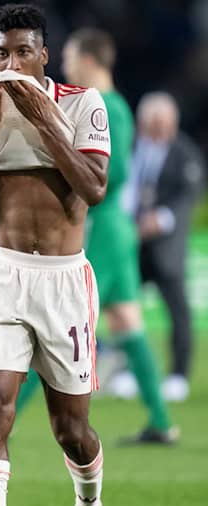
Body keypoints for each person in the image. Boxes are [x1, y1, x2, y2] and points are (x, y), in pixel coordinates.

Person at [0, 5, 117, 506]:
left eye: (23, 51)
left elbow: (93, 188)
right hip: (6, 275)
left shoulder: (82, 104)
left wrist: (44, 120)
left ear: (44, 54)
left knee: (72, 430)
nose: (12, 64)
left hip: (64, 282)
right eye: (1, 53)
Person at [13, 28, 178, 444]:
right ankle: (161, 422)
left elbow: (116, 171)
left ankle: (3, 413)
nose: (63, 64)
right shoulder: (110, 105)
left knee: (59, 320)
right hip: (115, 228)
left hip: (103, 227)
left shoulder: (106, 106)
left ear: (89, 59)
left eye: (68, 55)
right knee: (128, 323)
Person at [130, 92, 205, 403]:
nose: (159, 129)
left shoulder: (184, 152)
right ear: (143, 123)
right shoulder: (133, 148)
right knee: (124, 309)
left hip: (166, 247)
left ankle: (177, 374)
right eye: (153, 123)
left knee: (178, 312)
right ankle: (130, 371)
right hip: (133, 243)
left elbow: (190, 194)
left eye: (164, 123)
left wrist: (162, 218)